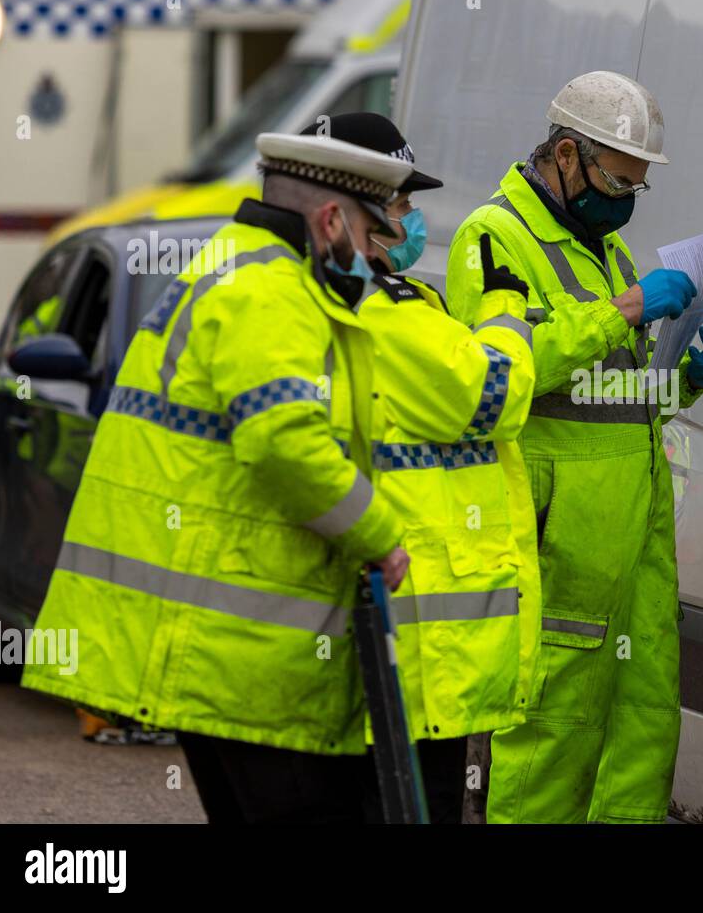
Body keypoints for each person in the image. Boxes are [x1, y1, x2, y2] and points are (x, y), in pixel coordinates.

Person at [21, 113, 415, 824]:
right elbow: (283, 440)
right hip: (236, 650)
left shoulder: (235, 265)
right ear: (330, 220)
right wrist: (380, 534)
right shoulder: (272, 291)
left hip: (226, 644)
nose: (375, 253)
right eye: (370, 232)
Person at [445, 70, 703, 823]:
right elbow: (507, 375)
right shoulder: (492, 239)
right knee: (547, 748)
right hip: (561, 550)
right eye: (618, 180)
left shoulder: (602, 253)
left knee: (639, 741)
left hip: (629, 548)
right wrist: (631, 307)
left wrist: (686, 380)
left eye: (636, 189)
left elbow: (615, 404)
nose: (623, 201)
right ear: (568, 154)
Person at [354, 123, 541, 824]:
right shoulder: (388, 313)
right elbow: (495, 396)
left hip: (401, 624)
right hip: (417, 631)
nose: (409, 220)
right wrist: (502, 316)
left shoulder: (380, 302)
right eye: (399, 205)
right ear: (361, 214)